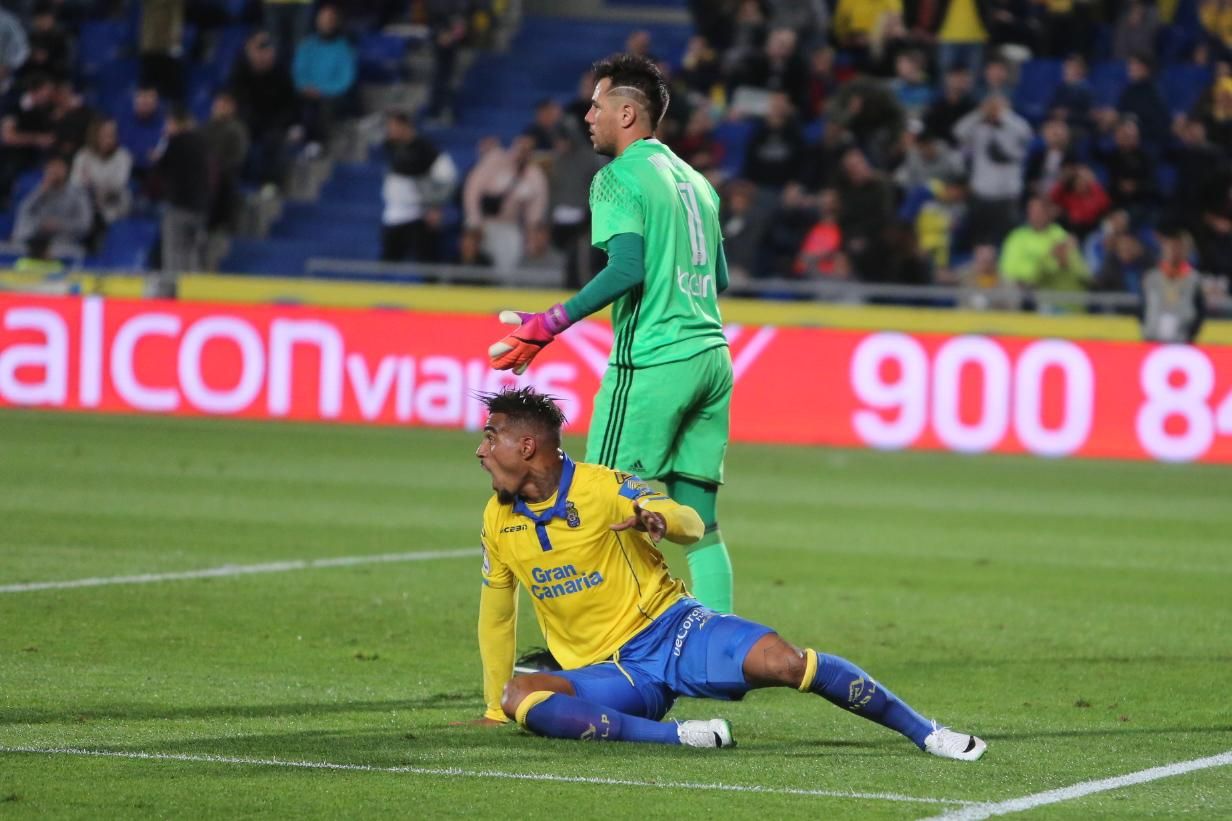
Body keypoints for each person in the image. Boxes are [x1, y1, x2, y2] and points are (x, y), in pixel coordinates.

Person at [468, 387, 988, 759]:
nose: (481, 450)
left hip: (673, 631)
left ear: (527, 447)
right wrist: (494, 706)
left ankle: (927, 733)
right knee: (521, 699)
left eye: (491, 438)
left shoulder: (604, 486)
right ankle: (684, 736)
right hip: (613, 674)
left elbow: (690, 522)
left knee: (786, 662)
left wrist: (660, 518)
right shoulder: (497, 519)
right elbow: (497, 614)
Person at [486, 54, 736, 614]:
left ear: (627, 112)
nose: (587, 116)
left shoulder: (618, 177)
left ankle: (605, 650)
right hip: (711, 358)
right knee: (701, 520)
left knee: (601, 501)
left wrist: (547, 325)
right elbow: (717, 276)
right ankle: (722, 649)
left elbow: (627, 269)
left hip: (654, 361)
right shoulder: (697, 182)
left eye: (596, 105)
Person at [380, 110, 457, 263]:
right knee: (389, 260)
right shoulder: (393, 147)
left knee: (425, 259)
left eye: (393, 126)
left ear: (404, 126)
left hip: (416, 214)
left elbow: (448, 176)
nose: (389, 130)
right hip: (394, 213)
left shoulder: (425, 149)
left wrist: (435, 206)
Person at [12, 153, 92, 258]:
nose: (55, 172)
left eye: (59, 168)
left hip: (63, 241)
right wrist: (41, 191)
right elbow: (23, 212)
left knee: (55, 251)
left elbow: (84, 224)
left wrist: (59, 225)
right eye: (51, 167)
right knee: (19, 248)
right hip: (36, 239)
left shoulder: (78, 193)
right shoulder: (40, 191)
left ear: (66, 170)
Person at [1139, 228, 1206, 342]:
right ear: (1163, 249)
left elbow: (1200, 311)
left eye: (1178, 247)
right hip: (1152, 339)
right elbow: (1142, 308)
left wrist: (1190, 335)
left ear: (1186, 251)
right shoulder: (1151, 278)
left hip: (1182, 340)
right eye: (1170, 246)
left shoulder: (1194, 279)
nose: (1174, 251)